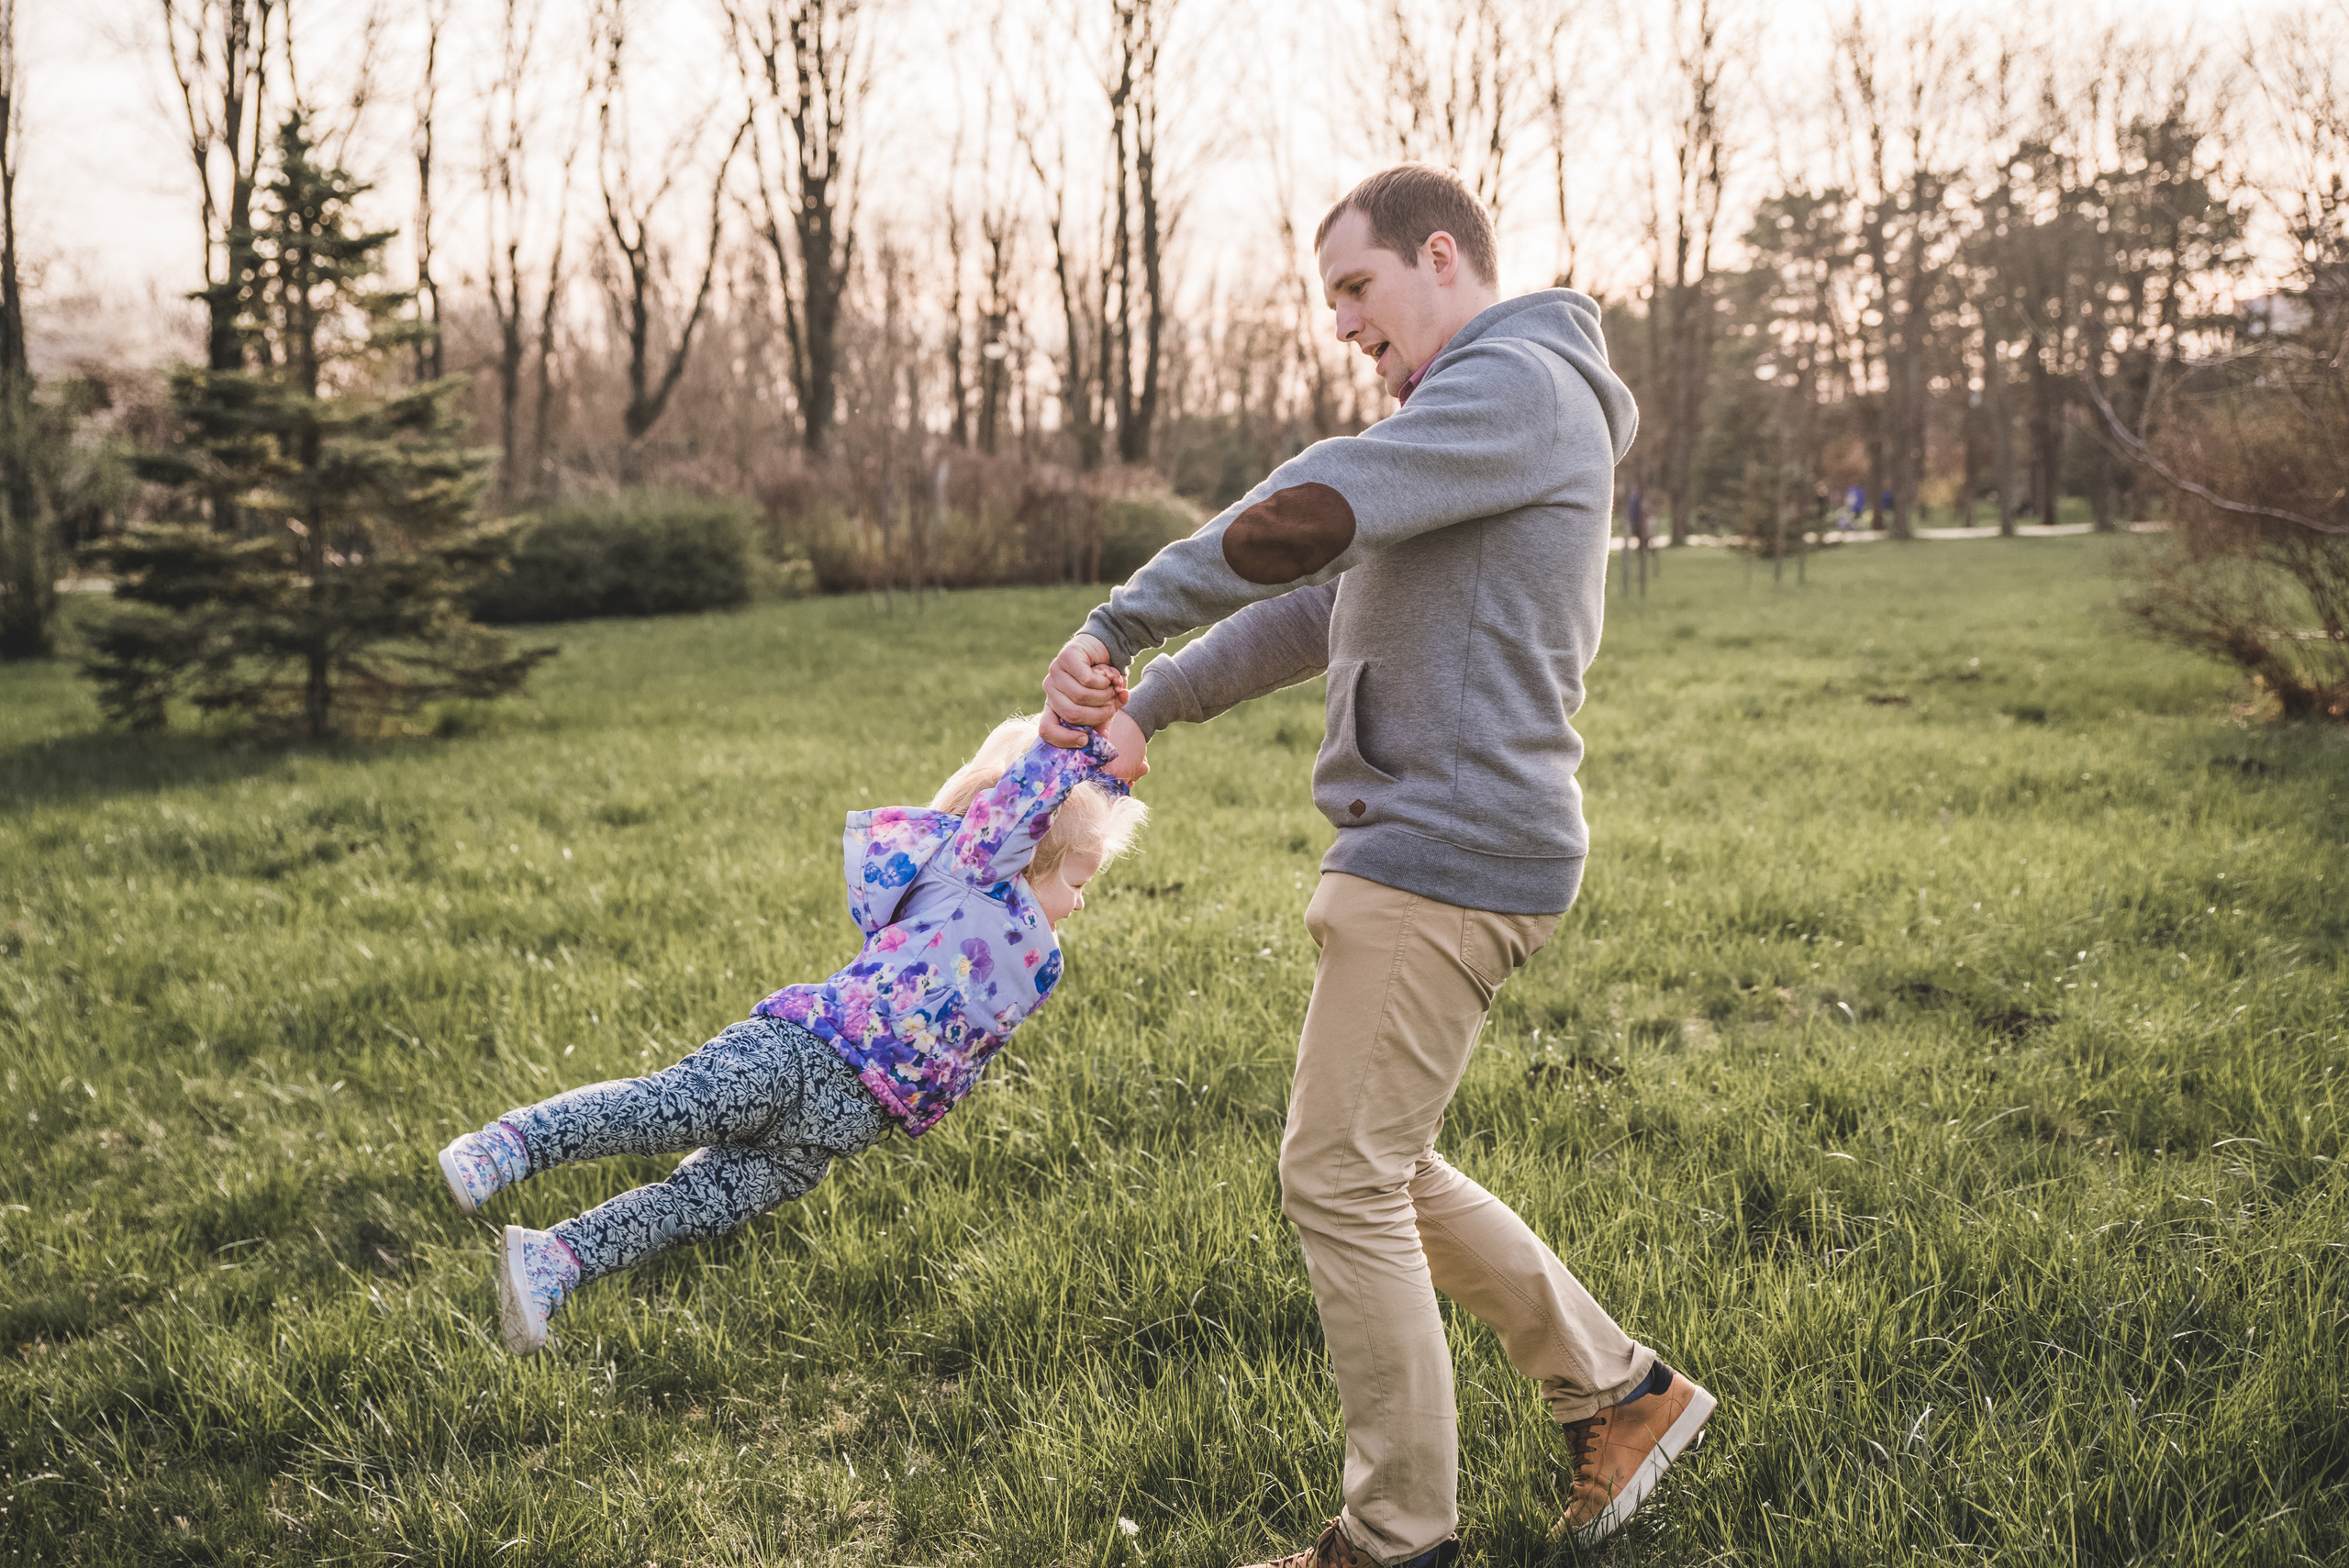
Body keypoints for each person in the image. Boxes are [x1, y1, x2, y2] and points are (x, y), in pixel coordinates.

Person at [1040, 163, 1713, 1568]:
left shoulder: (1512, 390)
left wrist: (1119, 624)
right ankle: (1624, 1392)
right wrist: (1146, 707)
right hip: (1433, 841)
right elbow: (1318, 603)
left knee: (1339, 1178)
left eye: (1359, 286)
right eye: (1333, 296)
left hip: (1448, 849)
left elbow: (1311, 508)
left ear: (1444, 258)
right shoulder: (1470, 422)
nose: (1345, 321)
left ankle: (1398, 1536)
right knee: (1376, 1166)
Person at [433, 713, 1148, 1355]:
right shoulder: (978, 873)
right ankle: (508, 1145)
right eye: (1080, 877)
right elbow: (1022, 795)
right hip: (798, 1056)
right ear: (1028, 854)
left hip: (837, 1132)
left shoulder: (1025, 945)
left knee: (695, 1208)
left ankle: (552, 1261)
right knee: (661, 1110)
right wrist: (1079, 748)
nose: (1082, 899)